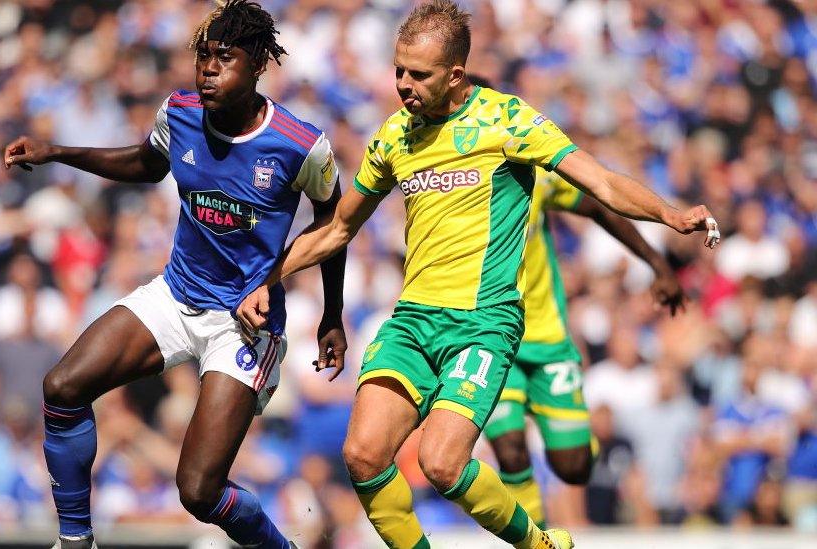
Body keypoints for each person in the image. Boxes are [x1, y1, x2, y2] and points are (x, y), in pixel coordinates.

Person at [237, 2, 720, 547]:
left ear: (455, 75)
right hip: (412, 324)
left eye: (418, 74)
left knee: (441, 464)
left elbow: (601, 183)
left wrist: (670, 216)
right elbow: (338, 229)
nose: (403, 84)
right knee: (363, 455)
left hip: (483, 323)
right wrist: (267, 279)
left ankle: (537, 543)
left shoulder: (507, 120)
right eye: (398, 70)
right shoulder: (395, 136)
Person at [2, 2, 346, 548]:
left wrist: (331, 314)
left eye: (224, 59)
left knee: (198, 491)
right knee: (63, 387)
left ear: (258, 64)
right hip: (176, 294)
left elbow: (334, 223)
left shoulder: (300, 145)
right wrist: (58, 153)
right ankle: (75, 543)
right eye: (203, 57)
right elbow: (147, 163)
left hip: (242, 325)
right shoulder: (180, 111)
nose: (207, 70)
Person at [479, 162, 685, 528]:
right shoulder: (453, 185)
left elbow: (596, 206)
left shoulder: (535, 177)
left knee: (573, 467)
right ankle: (534, 536)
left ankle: (573, 442)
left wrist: (656, 263)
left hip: (547, 338)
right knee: (510, 449)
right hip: (491, 339)